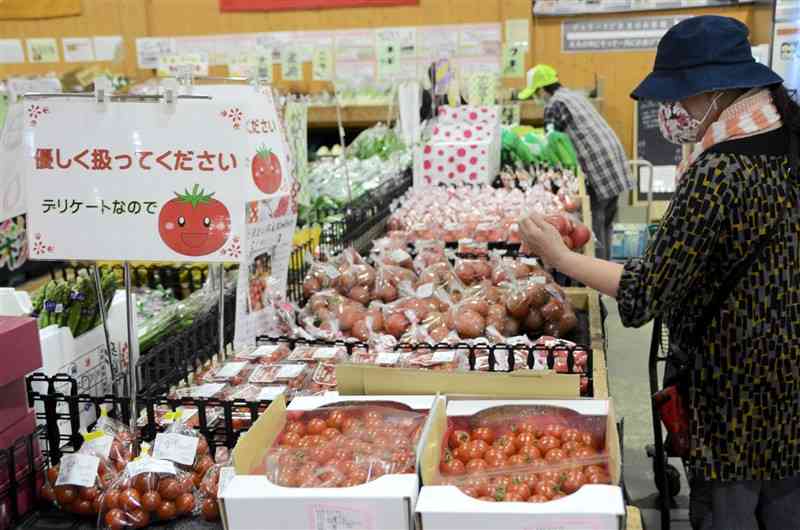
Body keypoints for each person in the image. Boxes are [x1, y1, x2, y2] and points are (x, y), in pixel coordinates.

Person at [519, 16, 800, 530]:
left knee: (730, 512)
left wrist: (560, 256)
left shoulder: (719, 174)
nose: (675, 111)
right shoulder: (788, 143)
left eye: (682, 96)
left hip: (733, 397)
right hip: (788, 387)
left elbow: (647, 291)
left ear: (715, 91)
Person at [519, 64, 631, 260]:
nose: (536, 100)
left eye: (535, 94)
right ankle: (606, 275)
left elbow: (553, 143)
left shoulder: (555, 104)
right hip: (613, 165)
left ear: (542, 90)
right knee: (605, 227)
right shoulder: (573, 96)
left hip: (597, 170)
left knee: (594, 231)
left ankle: (597, 280)